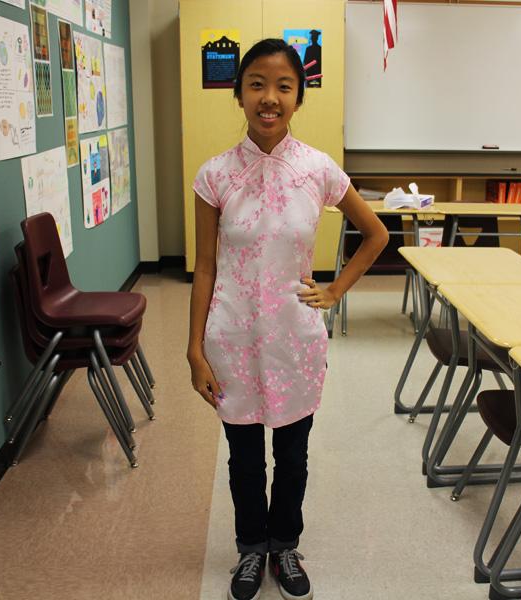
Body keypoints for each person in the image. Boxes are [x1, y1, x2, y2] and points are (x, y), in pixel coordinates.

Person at [187, 38, 388, 600]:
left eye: (283, 86)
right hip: (232, 336)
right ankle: (251, 550)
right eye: (256, 84)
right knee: (245, 459)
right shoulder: (214, 176)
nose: (269, 98)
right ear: (239, 93)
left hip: (295, 338)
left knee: (293, 455)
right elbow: (204, 268)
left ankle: (285, 545)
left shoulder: (318, 169)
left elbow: (376, 235)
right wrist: (195, 349)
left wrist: (335, 291)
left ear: (298, 96)